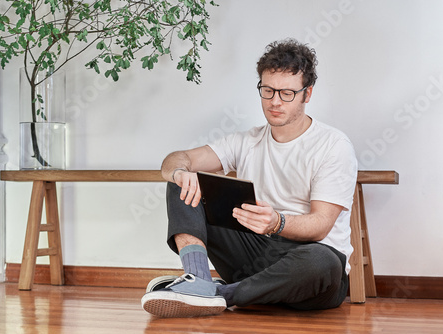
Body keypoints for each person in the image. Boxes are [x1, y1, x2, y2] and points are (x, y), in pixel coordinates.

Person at [141, 38, 358, 318]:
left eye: (287, 93)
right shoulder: (246, 141)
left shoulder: (334, 145)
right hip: (252, 255)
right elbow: (175, 159)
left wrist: (276, 222)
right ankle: (197, 279)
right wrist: (181, 172)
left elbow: (320, 226)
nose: (275, 101)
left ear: (308, 94)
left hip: (309, 268)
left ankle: (217, 294)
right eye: (267, 91)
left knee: (322, 261)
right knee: (181, 184)